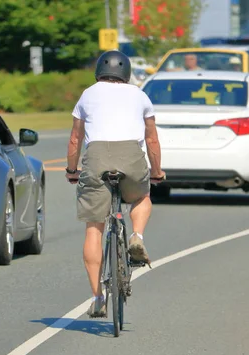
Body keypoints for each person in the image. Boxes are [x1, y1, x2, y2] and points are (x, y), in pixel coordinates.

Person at [65, 50, 166, 318]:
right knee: (142, 197)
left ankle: (98, 297)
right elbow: (152, 139)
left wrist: (72, 170)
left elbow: (76, 139)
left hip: (97, 159)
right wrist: (156, 171)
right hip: (132, 158)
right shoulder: (140, 95)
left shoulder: (87, 94)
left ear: (99, 71)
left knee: (94, 228)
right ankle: (136, 236)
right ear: (127, 72)